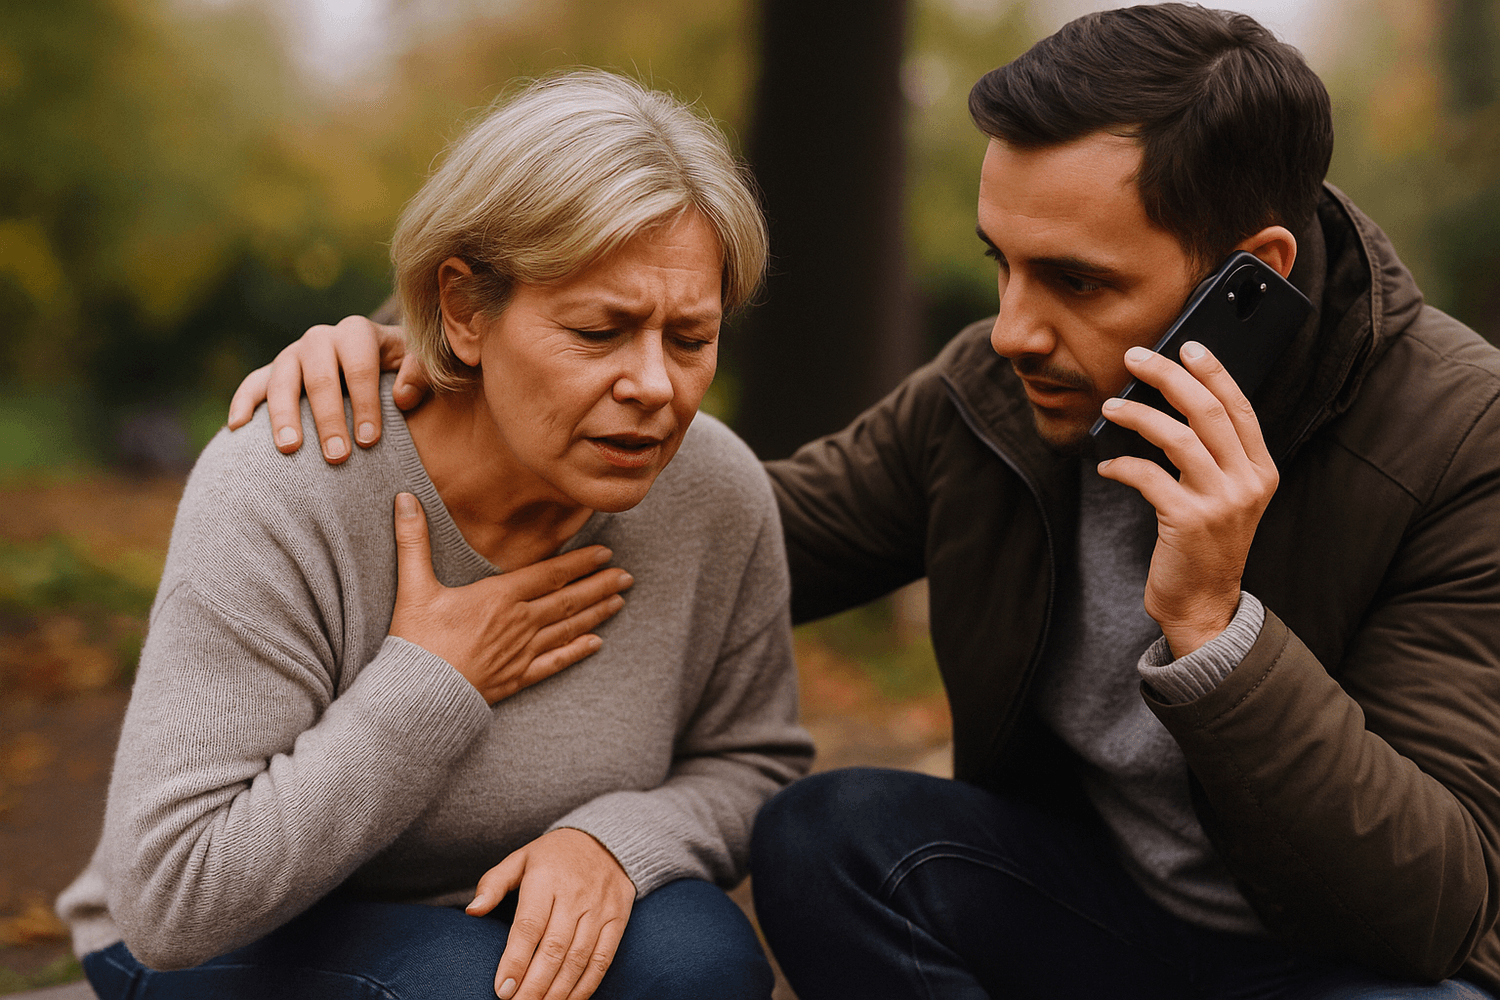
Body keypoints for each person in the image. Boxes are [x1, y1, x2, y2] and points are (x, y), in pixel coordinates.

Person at [232, 4, 1500, 998]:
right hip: (1094, 925)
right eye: (1003, 264)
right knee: (831, 829)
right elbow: (738, 539)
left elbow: (1429, 908)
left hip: (1355, 970)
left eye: (1075, 282)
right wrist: (454, 391)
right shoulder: (998, 399)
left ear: (1253, 275)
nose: (1011, 329)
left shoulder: (1459, 436)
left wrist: (1219, 630)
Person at [58, 70, 812, 1000]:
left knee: (700, 962)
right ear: (464, 308)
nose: (656, 386)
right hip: (225, 932)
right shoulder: (293, 478)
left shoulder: (714, 489)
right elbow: (175, 901)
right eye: (600, 330)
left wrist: (617, 839)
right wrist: (432, 684)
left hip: (485, 907)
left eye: (689, 339)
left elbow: (754, 762)